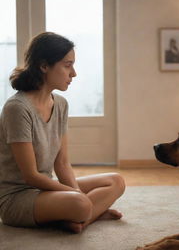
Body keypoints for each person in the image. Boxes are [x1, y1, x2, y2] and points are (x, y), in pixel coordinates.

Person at [0, 32, 125, 233]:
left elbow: (62, 164)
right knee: (81, 204)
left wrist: (74, 193)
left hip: (46, 190)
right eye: (67, 65)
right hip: (17, 198)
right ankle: (89, 213)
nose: (73, 73)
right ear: (44, 66)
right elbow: (31, 176)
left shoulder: (60, 104)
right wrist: (78, 196)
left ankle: (80, 218)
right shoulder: (17, 108)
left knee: (116, 181)